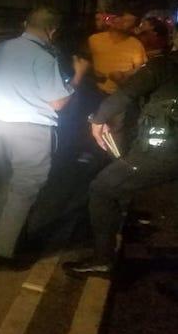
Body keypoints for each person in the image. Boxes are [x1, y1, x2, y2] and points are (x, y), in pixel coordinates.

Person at [0, 6, 90, 269]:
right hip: (30, 130)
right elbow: (58, 102)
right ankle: (0, 252)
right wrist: (78, 75)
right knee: (25, 187)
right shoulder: (43, 58)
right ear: (52, 30)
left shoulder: (0, 48)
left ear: (25, 22)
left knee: (5, 185)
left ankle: (13, 237)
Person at [63, 50, 178, 278]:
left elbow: (125, 94)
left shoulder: (165, 65)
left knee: (102, 189)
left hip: (164, 151)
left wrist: (98, 119)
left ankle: (102, 259)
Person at [88, 7, 147, 96]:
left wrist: (124, 75)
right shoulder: (94, 39)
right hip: (93, 91)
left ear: (133, 27)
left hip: (119, 94)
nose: (121, 21)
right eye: (121, 17)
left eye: (127, 21)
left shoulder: (136, 45)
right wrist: (92, 72)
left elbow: (140, 69)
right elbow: (84, 62)